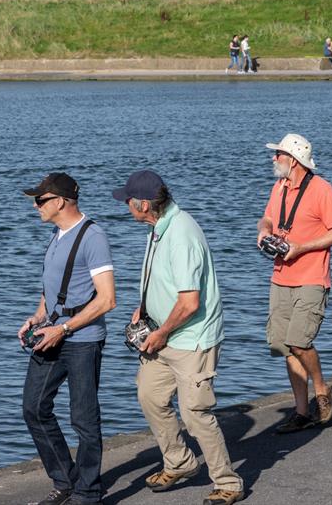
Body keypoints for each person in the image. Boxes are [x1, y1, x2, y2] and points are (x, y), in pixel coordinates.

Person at [112, 171, 243, 505]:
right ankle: (180, 462)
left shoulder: (181, 234)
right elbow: (163, 278)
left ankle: (228, 482)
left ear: (143, 204)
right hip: (164, 333)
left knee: (195, 412)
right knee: (150, 396)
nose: (125, 205)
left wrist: (160, 332)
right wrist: (142, 308)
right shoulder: (159, 227)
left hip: (191, 339)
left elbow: (190, 302)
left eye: (128, 200)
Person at [19, 172, 117, 505]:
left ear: (60, 201)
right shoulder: (57, 235)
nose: (36, 206)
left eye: (41, 200)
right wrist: (37, 317)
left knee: (83, 418)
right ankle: (65, 480)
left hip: (82, 340)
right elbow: (53, 290)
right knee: (33, 408)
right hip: (52, 333)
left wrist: (63, 328)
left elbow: (107, 299)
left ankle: (89, 493)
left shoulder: (93, 237)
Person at [257, 134, 332, 433]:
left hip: (311, 277)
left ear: (292, 160)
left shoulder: (321, 189)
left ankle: (321, 390)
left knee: (299, 340)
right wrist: (264, 232)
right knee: (283, 345)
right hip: (281, 277)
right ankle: (301, 411)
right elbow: (267, 219)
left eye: (278, 154)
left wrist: (301, 247)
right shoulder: (280, 187)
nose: (274, 159)